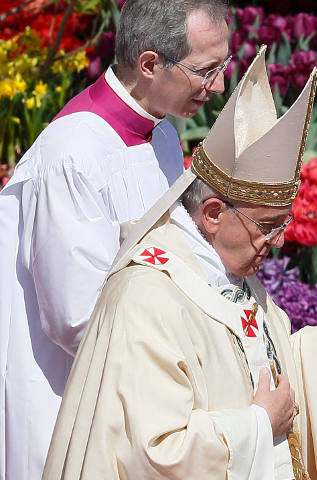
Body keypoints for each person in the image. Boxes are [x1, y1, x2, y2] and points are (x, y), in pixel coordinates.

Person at [43, 46, 317, 480]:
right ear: (212, 215)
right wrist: (257, 426)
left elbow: (267, 372)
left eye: (283, 223)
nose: (279, 240)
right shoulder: (148, 297)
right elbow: (153, 452)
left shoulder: (227, 273)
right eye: (266, 225)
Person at [0, 1, 231, 478]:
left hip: (141, 380)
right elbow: (77, 317)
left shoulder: (162, 136)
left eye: (222, 66)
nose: (219, 86)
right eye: (206, 71)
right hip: (77, 400)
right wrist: (187, 361)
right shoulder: (74, 154)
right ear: (149, 65)